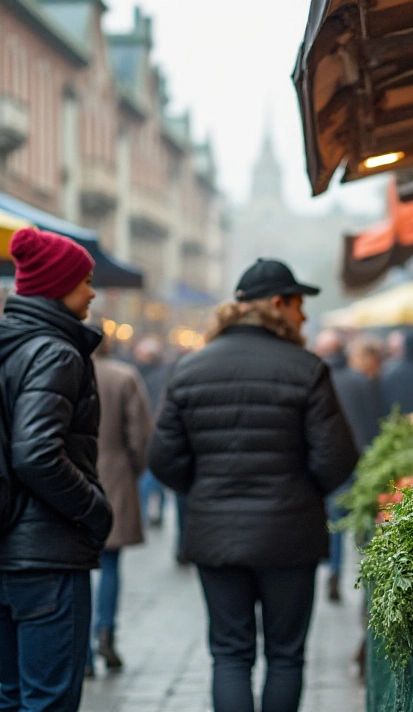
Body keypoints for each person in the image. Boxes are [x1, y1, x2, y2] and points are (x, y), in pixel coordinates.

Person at [148, 259, 358, 712]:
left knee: (229, 652)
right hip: (290, 534)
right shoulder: (307, 368)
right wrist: (301, 490)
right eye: (300, 305)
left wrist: (206, 488)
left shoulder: (188, 369)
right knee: (284, 654)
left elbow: (163, 460)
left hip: (214, 532)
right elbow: (337, 459)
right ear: (278, 304)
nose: (303, 316)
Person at [0, 227, 112, 712]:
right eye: (83, 280)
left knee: (15, 693)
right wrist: (93, 510)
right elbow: (36, 453)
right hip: (44, 554)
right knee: (48, 700)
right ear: (56, 286)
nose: (91, 291)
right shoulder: (55, 351)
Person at [89, 339, 153, 675]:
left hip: (69, 477)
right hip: (114, 474)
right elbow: (140, 433)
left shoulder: (62, 373)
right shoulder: (123, 376)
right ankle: (105, 633)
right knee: (110, 562)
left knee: (77, 566)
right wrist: (134, 469)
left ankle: (81, 648)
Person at [311, 330, 384, 603]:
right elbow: (377, 420)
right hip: (362, 461)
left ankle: (334, 572)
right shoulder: (360, 380)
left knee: (337, 522)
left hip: (333, 463)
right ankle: (366, 587)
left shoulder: (318, 383)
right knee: (365, 526)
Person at [132, 337, 170, 527]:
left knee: (149, 477)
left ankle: (148, 512)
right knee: (153, 477)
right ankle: (152, 511)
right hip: (156, 431)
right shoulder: (163, 374)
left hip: (151, 431)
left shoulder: (135, 374)